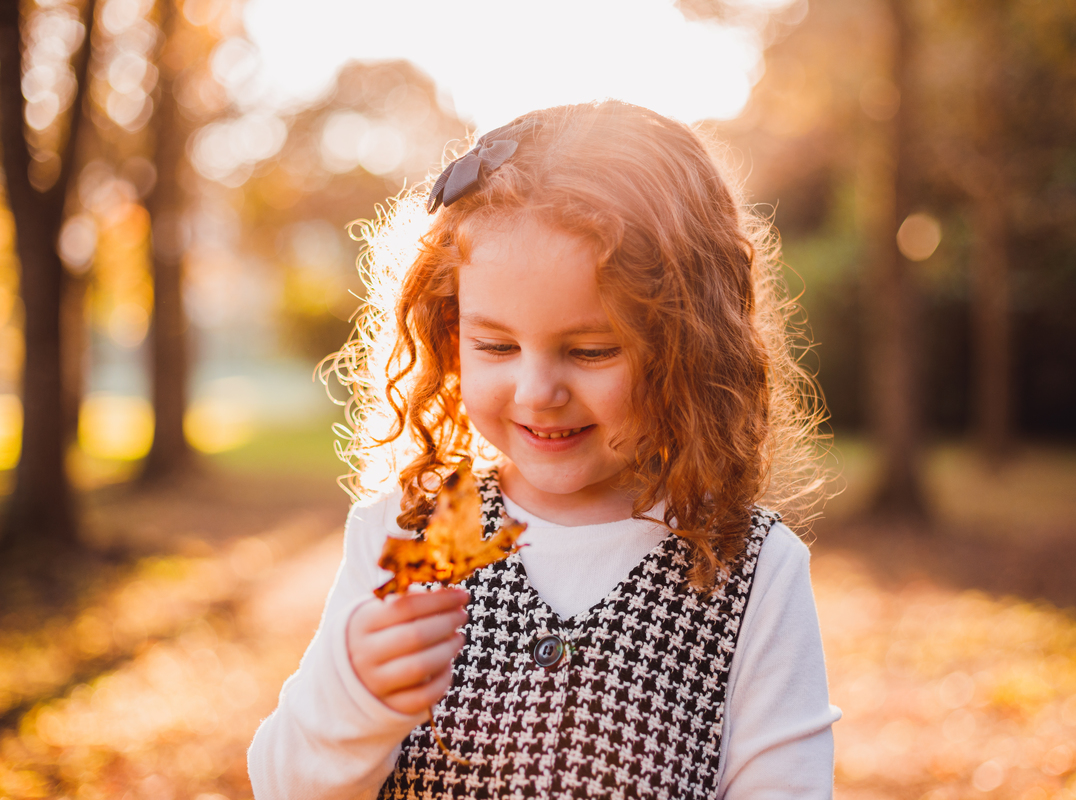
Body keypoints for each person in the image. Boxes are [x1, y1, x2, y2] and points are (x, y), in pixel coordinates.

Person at [248, 100, 841, 799]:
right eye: (496, 346)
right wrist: (351, 697)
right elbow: (284, 785)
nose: (536, 392)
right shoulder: (404, 535)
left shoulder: (752, 570)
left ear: (688, 347)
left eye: (590, 351)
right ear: (449, 334)